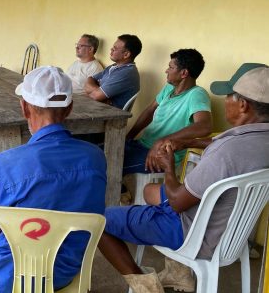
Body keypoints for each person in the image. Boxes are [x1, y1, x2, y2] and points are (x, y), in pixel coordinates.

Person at [97, 63, 269, 293]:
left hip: (193, 233)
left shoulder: (226, 152)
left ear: (242, 104)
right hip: (230, 235)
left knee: (99, 221)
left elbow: (178, 202)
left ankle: (146, 287)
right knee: (150, 192)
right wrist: (190, 142)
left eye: (228, 96)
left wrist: (169, 167)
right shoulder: (258, 140)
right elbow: (219, 144)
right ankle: (178, 273)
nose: (225, 101)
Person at [0, 66, 107, 292]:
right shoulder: (95, 157)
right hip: (65, 273)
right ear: (70, 109)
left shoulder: (4, 163)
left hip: (11, 276)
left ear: (24, 107)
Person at [122, 48, 212, 177]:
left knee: (109, 163)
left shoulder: (197, 94)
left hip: (163, 155)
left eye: (170, 67)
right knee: (99, 153)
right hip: (142, 144)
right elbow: (149, 111)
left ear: (184, 73)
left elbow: (204, 126)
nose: (166, 70)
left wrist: (163, 141)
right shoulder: (169, 88)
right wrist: (129, 137)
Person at [85, 34, 142, 109]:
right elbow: (90, 79)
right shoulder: (113, 67)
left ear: (126, 54)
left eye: (115, 49)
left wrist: (97, 92)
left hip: (108, 115)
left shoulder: (126, 73)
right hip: (97, 108)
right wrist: (99, 92)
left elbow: (95, 96)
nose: (111, 50)